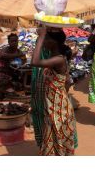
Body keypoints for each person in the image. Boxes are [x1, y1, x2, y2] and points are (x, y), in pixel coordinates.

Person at [31, 27, 77, 156]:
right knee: (54, 140)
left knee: (59, 141)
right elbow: (67, 82)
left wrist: (41, 36)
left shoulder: (59, 59)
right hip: (54, 106)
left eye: (46, 39)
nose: (44, 41)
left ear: (53, 43)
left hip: (58, 108)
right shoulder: (56, 57)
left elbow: (34, 62)